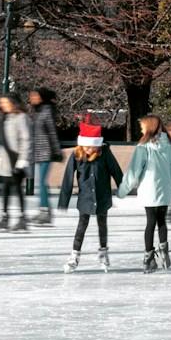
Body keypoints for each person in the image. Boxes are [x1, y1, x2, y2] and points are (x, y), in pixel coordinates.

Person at [59, 114, 123, 271]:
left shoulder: (104, 153)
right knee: (82, 225)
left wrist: (124, 188)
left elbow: (116, 171)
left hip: (102, 195)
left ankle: (103, 253)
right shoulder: (77, 155)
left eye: (92, 147)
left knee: (102, 225)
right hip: (86, 197)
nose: (89, 149)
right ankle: (74, 255)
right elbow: (68, 177)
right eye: (86, 147)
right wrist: (63, 201)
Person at [118, 114, 171, 271]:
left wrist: (123, 189)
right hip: (163, 187)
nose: (141, 129)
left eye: (142, 126)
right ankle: (164, 250)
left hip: (149, 189)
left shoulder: (143, 146)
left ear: (149, 127)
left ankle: (149, 258)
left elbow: (134, 170)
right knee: (161, 221)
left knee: (151, 222)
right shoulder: (168, 145)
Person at [0, 94, 31, 233]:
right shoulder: (5, 118)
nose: (2, 105)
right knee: (5, 189)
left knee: (18, 189)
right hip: (5, 159)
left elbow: (26, 139)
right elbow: (2, 141)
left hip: (16, 159)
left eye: (5, 102)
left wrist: (22, 160)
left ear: (14, 103)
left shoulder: (22, 118)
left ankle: (22, 218)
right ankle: (5, 217)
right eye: (1, 103)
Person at [27, 88, 62, 227]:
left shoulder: (47, 111)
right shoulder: (36, 111)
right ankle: (43, 210)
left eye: (34, 95)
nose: (31, 98)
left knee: (41, 181)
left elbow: (52, 132)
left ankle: (45, 211)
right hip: (38, 151)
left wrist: (56, 151)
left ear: (41, 97)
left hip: (47, 151)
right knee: (40, 182)